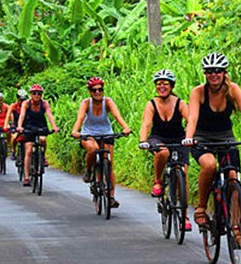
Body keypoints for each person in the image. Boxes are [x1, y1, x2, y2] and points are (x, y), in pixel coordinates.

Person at [182, 53, 241, 234]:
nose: (213, 75)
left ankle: (236, 225)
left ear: (224, 73)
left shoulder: (233, 90)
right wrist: (188, 138)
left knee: (233, 177)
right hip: (203, 138)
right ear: (205, 74)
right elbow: (192, 118)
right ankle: (201, 208)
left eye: (217, 71)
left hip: (226, 138)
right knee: (209, 165)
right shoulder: (198, 92)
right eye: (209, 72)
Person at [138, 69, 191, 230]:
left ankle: (184, 215)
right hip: (158, 138)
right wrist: (143, 140)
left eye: (166, 83)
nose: (162, 86)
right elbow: (146, 124)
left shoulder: (180, 103)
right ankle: (158, 180)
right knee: (163, 152)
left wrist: (191, 137)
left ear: (171, 86)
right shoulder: (152, 104)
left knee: (183, 173)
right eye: (159, 83)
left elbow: (190, 121)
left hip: (178, 139)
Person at [70, 77, 132, 208]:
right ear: (90, 92)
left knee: (108, 163)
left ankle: (111, 196)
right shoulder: (86, 103)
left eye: (100, 89)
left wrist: (125, 128)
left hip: (106, 133)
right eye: (94, 90)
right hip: (89, 134)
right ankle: (88, 170)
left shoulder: (108, 102)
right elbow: (80, 118)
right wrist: (75, 131)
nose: (97, 92)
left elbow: (117, 116)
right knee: (93, 149)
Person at [16, 83, 60, 187]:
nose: (37, 95)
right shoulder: (26, 103)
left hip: (41, 125)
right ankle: (26, 177)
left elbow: (49, 115)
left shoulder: (44, 103)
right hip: (29, 126)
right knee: (29, 150)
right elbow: (22, 115)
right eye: (34, 93)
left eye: (39, 93)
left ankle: (42, 157)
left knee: (43, 140)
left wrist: (54, 127)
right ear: (31, 94)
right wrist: (19, 126)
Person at [7, 88, 28, 160]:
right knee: (14, 137)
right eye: (20, 100)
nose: (22, 102)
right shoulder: (13, 106)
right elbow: (9, 115)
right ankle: (13, 150)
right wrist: (7, 124)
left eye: (24, 100)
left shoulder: (28, 106)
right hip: (15, 123)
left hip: (26, 124)